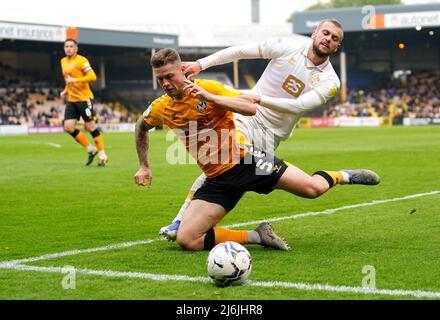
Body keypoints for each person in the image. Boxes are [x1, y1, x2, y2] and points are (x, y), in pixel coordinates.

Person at [134, 48, 380, 252]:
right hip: (218, 180)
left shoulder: (211, 88)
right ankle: (258, 235)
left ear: (182, 71)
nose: (166, 83)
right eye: (160, 79)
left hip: (248, 163)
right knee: (187, 239)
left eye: (170, 76)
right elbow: (141, 126)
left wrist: (210, 97)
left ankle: (344, 175)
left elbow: (249, 107)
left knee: (313, 189)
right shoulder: (161, 107)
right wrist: (144, 164)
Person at [160, 19, 345, 239]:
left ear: (337, 47)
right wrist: (201, 64)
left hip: (272, 135)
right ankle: (180, 220)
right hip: (246, 116)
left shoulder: (330, 81)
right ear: (315, 33)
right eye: (325, 33)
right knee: (222, 158)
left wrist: (259, 98)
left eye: (334, 38)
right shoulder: (287, 46)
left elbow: (299, 105)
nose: (328, 39)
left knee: (236, 178)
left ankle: (241, 233)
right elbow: (240, 51)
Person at [60, 38, 108, 166]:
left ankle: (103, 155)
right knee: (68, 127)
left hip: (84, 98)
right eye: (66, 46)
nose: (68, 48)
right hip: (71, 100)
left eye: (71, 46)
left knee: (90, 126)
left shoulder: (82, 61)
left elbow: (92, 76)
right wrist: (65, 90)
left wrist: (75, 80)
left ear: (76, 48)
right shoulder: (63, 61)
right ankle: (91, 149)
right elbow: (67, 79)